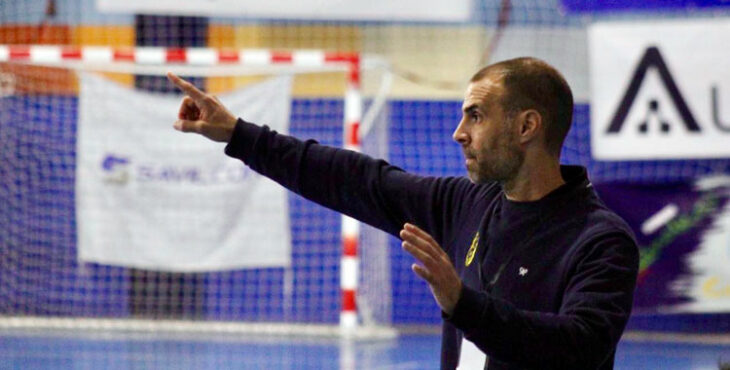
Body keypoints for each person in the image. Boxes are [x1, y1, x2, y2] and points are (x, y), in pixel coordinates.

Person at [166, 57, 639, 370]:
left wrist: (462, 304)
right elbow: (355, 179)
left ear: (526, 126)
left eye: (475, 115)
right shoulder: (467, 205)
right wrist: (239, 135)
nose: (459, 132)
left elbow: (580, 348)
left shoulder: (600, 241)